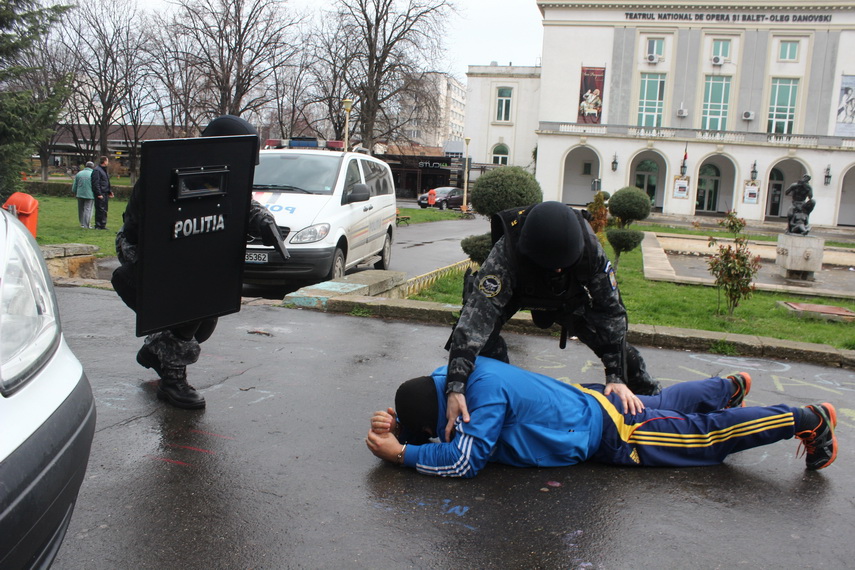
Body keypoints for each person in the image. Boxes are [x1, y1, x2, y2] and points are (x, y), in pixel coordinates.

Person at [365, 357, 838, 477]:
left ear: (454, 410)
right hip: (584, 402)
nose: (450, 429)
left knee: (702, 439)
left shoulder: (479, 405)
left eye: (443, 427)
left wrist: (404, 453)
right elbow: (432, 421)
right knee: (662, 403)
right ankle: (725, 388)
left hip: (609, 433)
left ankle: (804, 419)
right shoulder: (452, 375)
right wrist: (401, 425)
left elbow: (465, 460)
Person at [444, 200, 659, 441]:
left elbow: (611, 312)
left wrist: (616, 375)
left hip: (567, 299)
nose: (556, 270)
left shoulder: (590, 251)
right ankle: (503, 400)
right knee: (483, 348)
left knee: (624, 356)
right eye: (552, 266)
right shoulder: (508, 252)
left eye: (562, 266)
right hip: (518, 291)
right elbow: (475, 319)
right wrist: (455, 386)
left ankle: (656, 403)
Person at [111, 115, 283, 409]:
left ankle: (156, 352)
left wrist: (263, 221)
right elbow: (157, 227)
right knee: (190, 304)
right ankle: (173, 380)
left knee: (206, 318)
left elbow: (239, 200)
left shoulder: (218, 169)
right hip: (145, 256)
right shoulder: (167, 172)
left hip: (183, 257)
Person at [90, 155, 113, 230]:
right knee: (100, 209)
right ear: (104, 161)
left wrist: (109, 191)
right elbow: (96, 183)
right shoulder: (97, 170)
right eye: (107, 160)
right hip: (101, 193)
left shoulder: (103, 170)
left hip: (105, 192)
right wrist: (98, 193)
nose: (108, 162)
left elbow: (106, 182)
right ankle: (98, 225)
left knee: (104, 209)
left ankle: (103, 224)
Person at [71, 161, 95, 229]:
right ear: (92, 167)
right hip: (90, 194)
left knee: (81, 209)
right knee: (88, 209)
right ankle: (86, 225)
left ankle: (82, 223)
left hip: (80, 194)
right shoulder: (93, 173)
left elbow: (75, 184)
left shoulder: (79, 173)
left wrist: (74, 191)